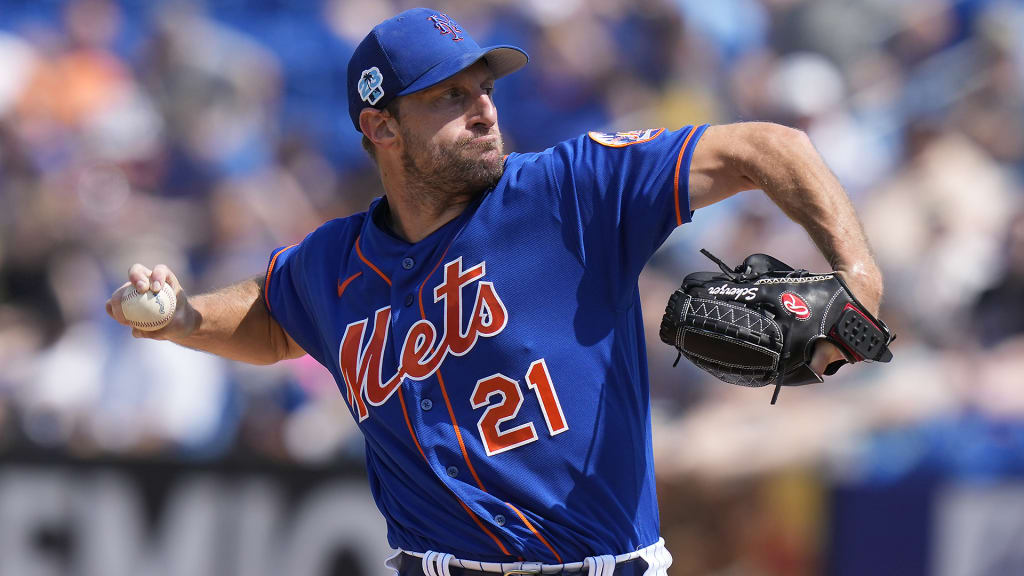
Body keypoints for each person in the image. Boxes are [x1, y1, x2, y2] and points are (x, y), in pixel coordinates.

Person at [106, 7, 883, 576]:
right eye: (449, 97)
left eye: (484, 87)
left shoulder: (572, 189)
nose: (483, 109)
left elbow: (769, 147)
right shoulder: (331, 264)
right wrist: (179, 317)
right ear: (380, 127)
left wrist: (860, 276)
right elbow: (269, 321)